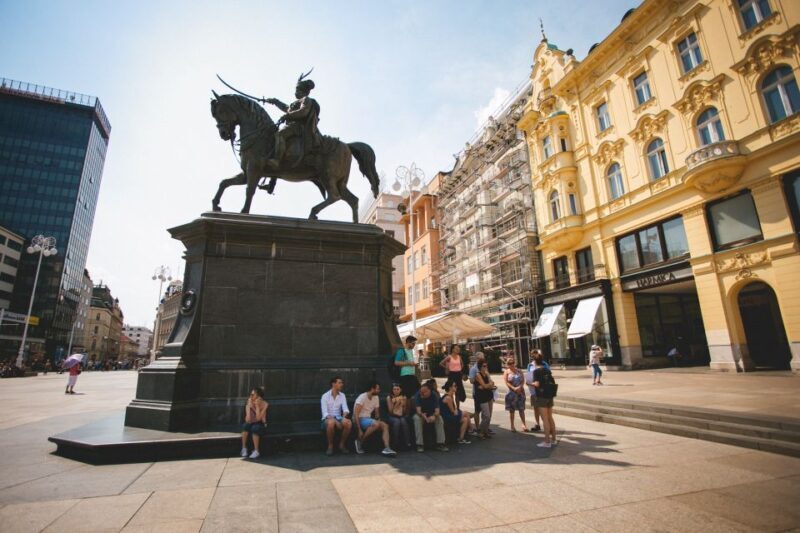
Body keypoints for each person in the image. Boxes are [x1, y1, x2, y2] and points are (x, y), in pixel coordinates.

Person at [264, 71, 322, 170]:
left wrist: (287, 116)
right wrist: (275, 101)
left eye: (298, 90)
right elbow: (287, 108)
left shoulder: (306, 100)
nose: (296, 92)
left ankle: (276, 160)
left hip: (298, 127)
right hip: (293, 126)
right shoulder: (297, 102)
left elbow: (303, 112)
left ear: (303, 90)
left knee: (280, 134)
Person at [354, 382, 396, 456]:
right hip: (359, 419)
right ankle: (360, 441)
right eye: (377, 389)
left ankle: (387, 448)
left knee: (385, 426)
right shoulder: (362, 397)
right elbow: (356, 414)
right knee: (376, 424)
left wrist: (378, 420)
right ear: (372, 389)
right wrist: (359, 429)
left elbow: (377, 414)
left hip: (369, 419)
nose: (379, 390)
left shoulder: (376, 397)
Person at [412, 382, 449, 452]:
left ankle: (440, 443)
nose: (422, 393)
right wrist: (423, 416)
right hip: (420, 414)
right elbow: (418, 410)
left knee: (440, 419)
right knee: (417, 419)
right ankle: (419, 444)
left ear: (429, 391)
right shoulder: (418, 395)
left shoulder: (434, 395)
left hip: (431, 414)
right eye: (421, 391)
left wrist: (434, 416)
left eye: (424, 392)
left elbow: (437, 410)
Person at [321, 376, 352, 456]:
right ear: (333, 384)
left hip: (339, 417)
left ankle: (341, 445)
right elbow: (325, 413)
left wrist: (344, 418)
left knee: (348, 423)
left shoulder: (342, 395)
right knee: (331, 423)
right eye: (339, 383)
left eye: (342, 383)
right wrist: (335, 421)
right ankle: (330, 446)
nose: (342, 384)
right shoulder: (325, 396)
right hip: (327, 419)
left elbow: (345, 409)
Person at [531, 351, 557, 448]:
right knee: (550, 417)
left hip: (541, 396)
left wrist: (530, 384)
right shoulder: (547, 370)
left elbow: (536, 384)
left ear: (534, 361)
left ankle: (547, 441)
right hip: (549, 395)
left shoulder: (536, 371)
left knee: (545, 419)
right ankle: (554, 439)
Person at [241, 387, 269, 459]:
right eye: (250, 394)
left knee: (255, 428)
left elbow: (259, 418)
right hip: (251, 422)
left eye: (253, 394)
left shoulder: (264, 404)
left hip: (260, 423)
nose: (251, 396)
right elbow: (247, 419)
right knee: (245, 426)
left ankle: (256, 451)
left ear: (258, 396)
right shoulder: (249, 402)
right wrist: (249, 406)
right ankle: (244, 448)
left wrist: (257, 406)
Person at [441, 379, 472, 444]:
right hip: (448, 417)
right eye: (454, 386)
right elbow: (453, 411)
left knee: (465, 419)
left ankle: (461, 438)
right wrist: (458, 411)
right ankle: (471, 430)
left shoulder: (450, 396)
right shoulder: (448, 398)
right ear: (450, 388)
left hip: (450, 415)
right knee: (466, 413)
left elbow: (454, 410)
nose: (456, 387)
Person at [503, 357, 528, 432]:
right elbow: (506, 382)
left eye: (512, 363)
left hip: (520, 392)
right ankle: (512, 426)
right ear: (507, 364)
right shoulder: (506, 372)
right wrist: (514, 388)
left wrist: (520, 387)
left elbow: (523, 380)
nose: (511, 365)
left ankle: (524, 424)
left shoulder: (519, 371)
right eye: (509, 364)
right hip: (511, 393)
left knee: (521, 409)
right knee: (512, 410)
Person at [474, 360, 496, 439]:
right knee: (486, 415)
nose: (485, 367)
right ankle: (480, 430)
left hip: (489, 395)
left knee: (488, 416)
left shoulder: (487, 373)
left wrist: (486, 385)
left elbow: (491, 383)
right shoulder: (478, 375)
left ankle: (485, 431)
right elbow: (485, 385)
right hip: (482, 397)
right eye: (484, 366)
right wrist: (487, 385)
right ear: (480, 367)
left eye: (486, 366)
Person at [386, 383, 412, 449]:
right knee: (397, 422)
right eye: (394, 389)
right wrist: (396, 403)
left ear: (401, 390)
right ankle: (395, 443)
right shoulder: (389, 398)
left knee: (403, 421)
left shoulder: (404, 397)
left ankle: (407, 442)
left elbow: (404, 412)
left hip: (401, 415)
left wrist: (403, 405)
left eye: (398, 389)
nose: (396, 391)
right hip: (391, 416)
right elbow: (390, 412)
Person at [526, 350, 545, 432]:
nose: (532, 357)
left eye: (534, 355)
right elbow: (528, 375)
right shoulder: (529, 365)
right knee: (536, 408)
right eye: (532, 355)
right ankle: (537, 424)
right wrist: (528, 382)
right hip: (533, 390)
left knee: (543, 409)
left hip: (541, 390)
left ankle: (546, 424)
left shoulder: (544, 364)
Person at [469, 352, 486, 431]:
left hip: (486, 392)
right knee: (477, 410)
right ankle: (477, 427)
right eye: (480, 358)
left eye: (483, 358)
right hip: (477, 392)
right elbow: (471, 381)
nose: (482, 360)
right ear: (477, 359)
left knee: (485, 411)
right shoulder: (473, 369)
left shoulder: (485, 367)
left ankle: (484, 426)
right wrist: (478, 378)